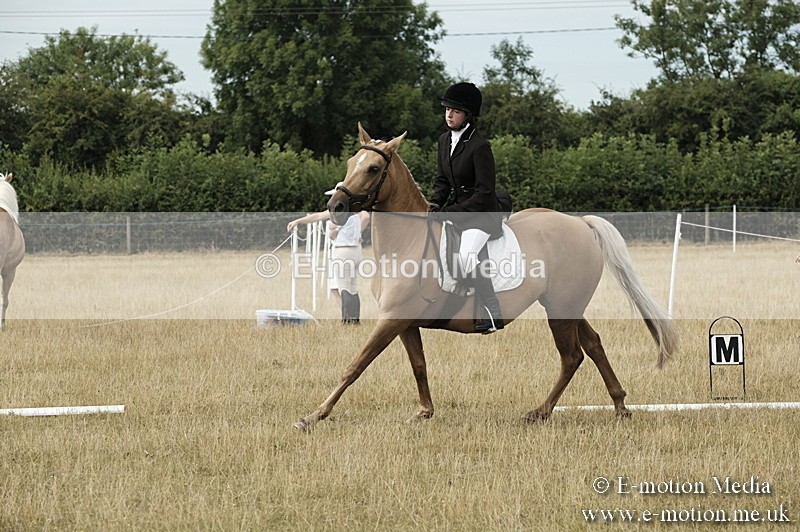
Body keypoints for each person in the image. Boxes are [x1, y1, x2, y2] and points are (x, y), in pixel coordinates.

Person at [427, 81, 504, 334]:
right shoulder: (443, 140)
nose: (449, 114)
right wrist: (435, 203)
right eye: (447, 109)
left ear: (468, 115)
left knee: (466, 259)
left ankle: (493, 313)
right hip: (456, 210)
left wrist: (449, 213)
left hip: (480, 214)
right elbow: (442, 181)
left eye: (456, 111)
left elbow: (484, 193)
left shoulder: (479, 146)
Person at [287, 182, 370, 323]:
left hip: (343, 251)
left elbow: (324, 224)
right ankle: (354, 320)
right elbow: (365, 216)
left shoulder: (340, 213)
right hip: (356, 251)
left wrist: (299, 221)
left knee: (344, 288)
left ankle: (347, 321)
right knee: (352, 288)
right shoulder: (355, 211)